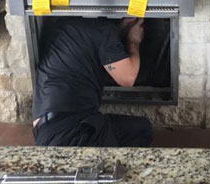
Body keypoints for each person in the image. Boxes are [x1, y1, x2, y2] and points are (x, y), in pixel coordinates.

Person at [32, 17, 153, 147]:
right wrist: (134, 42)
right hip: (72, 133)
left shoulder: (59, 23)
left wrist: (121, 28)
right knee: (142, 130)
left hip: (44, 131)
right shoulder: (103, 30)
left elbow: (95, 41)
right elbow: (128, 78)